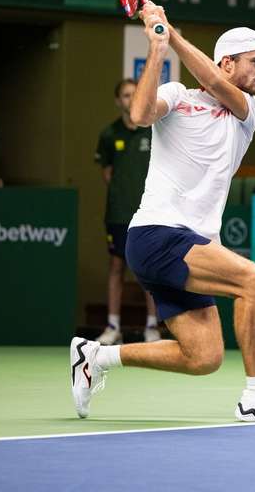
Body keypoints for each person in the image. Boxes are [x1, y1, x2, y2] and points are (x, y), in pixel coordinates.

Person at [70, 4, 255, 424]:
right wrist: (157, 46)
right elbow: (139, 114)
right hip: (156, 233)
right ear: (228, 61)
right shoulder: (176, 96)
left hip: (193, 243)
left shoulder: (247, 111)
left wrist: (174, 35)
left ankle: (95, 356)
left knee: (203, 356)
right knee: (253, 281)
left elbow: (211, 80)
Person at [94, 79, 161, 345]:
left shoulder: (154, 130)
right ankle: (113, 327)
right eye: (124, 95)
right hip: (118, 215)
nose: (129, 99)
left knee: (149, 269)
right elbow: (108, 175)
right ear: (117, 101)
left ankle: (152, 327)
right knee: (116, 266)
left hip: (150, 213)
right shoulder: (109, 134)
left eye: (134, 94)